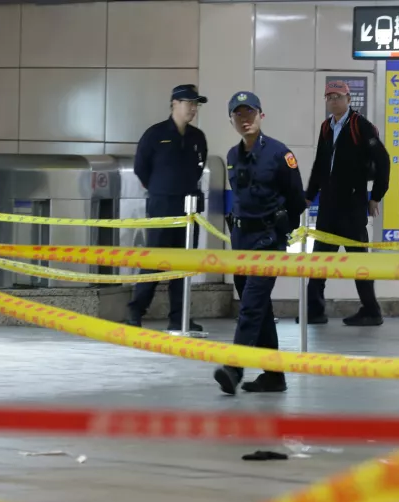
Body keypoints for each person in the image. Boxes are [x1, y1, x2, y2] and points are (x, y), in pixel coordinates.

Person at [213, 92, 306, 395]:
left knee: (251, 306)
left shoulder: (280, 154)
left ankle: (234, 368)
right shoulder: (231, 156)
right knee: (260, 307)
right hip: (241, 240)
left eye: (250, 113)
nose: (245, 119)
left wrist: (281, 231)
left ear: (261, 116)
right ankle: (274, 375)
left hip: (268, 241)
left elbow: (297, 200)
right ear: (232, 120)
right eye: (238, 114)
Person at [304, 80, 390, 326]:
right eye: (329, 97)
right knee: (319, 260)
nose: (333, 101)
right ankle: (315, 310)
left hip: (351, 207)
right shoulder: (326, 127)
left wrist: (376, 197)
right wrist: (309, 195)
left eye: (338, 96)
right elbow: (320, 164)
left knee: (358, 262)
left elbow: (383, 161)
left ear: (348, 99)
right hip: (328, 207)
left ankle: (372, 311)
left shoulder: (360, 126)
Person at [127, 84, 208, 332]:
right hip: (162, 206)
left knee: (183, 264)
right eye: (188, 103)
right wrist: (161, 188)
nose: (193, 108)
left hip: (189, 208)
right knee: (154, 260)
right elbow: (141, 167)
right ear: (174, 103)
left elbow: (198, 167)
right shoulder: (155, 134)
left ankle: (179, 317)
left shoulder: (197, 137)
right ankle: (135, 310)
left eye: (196, 104)